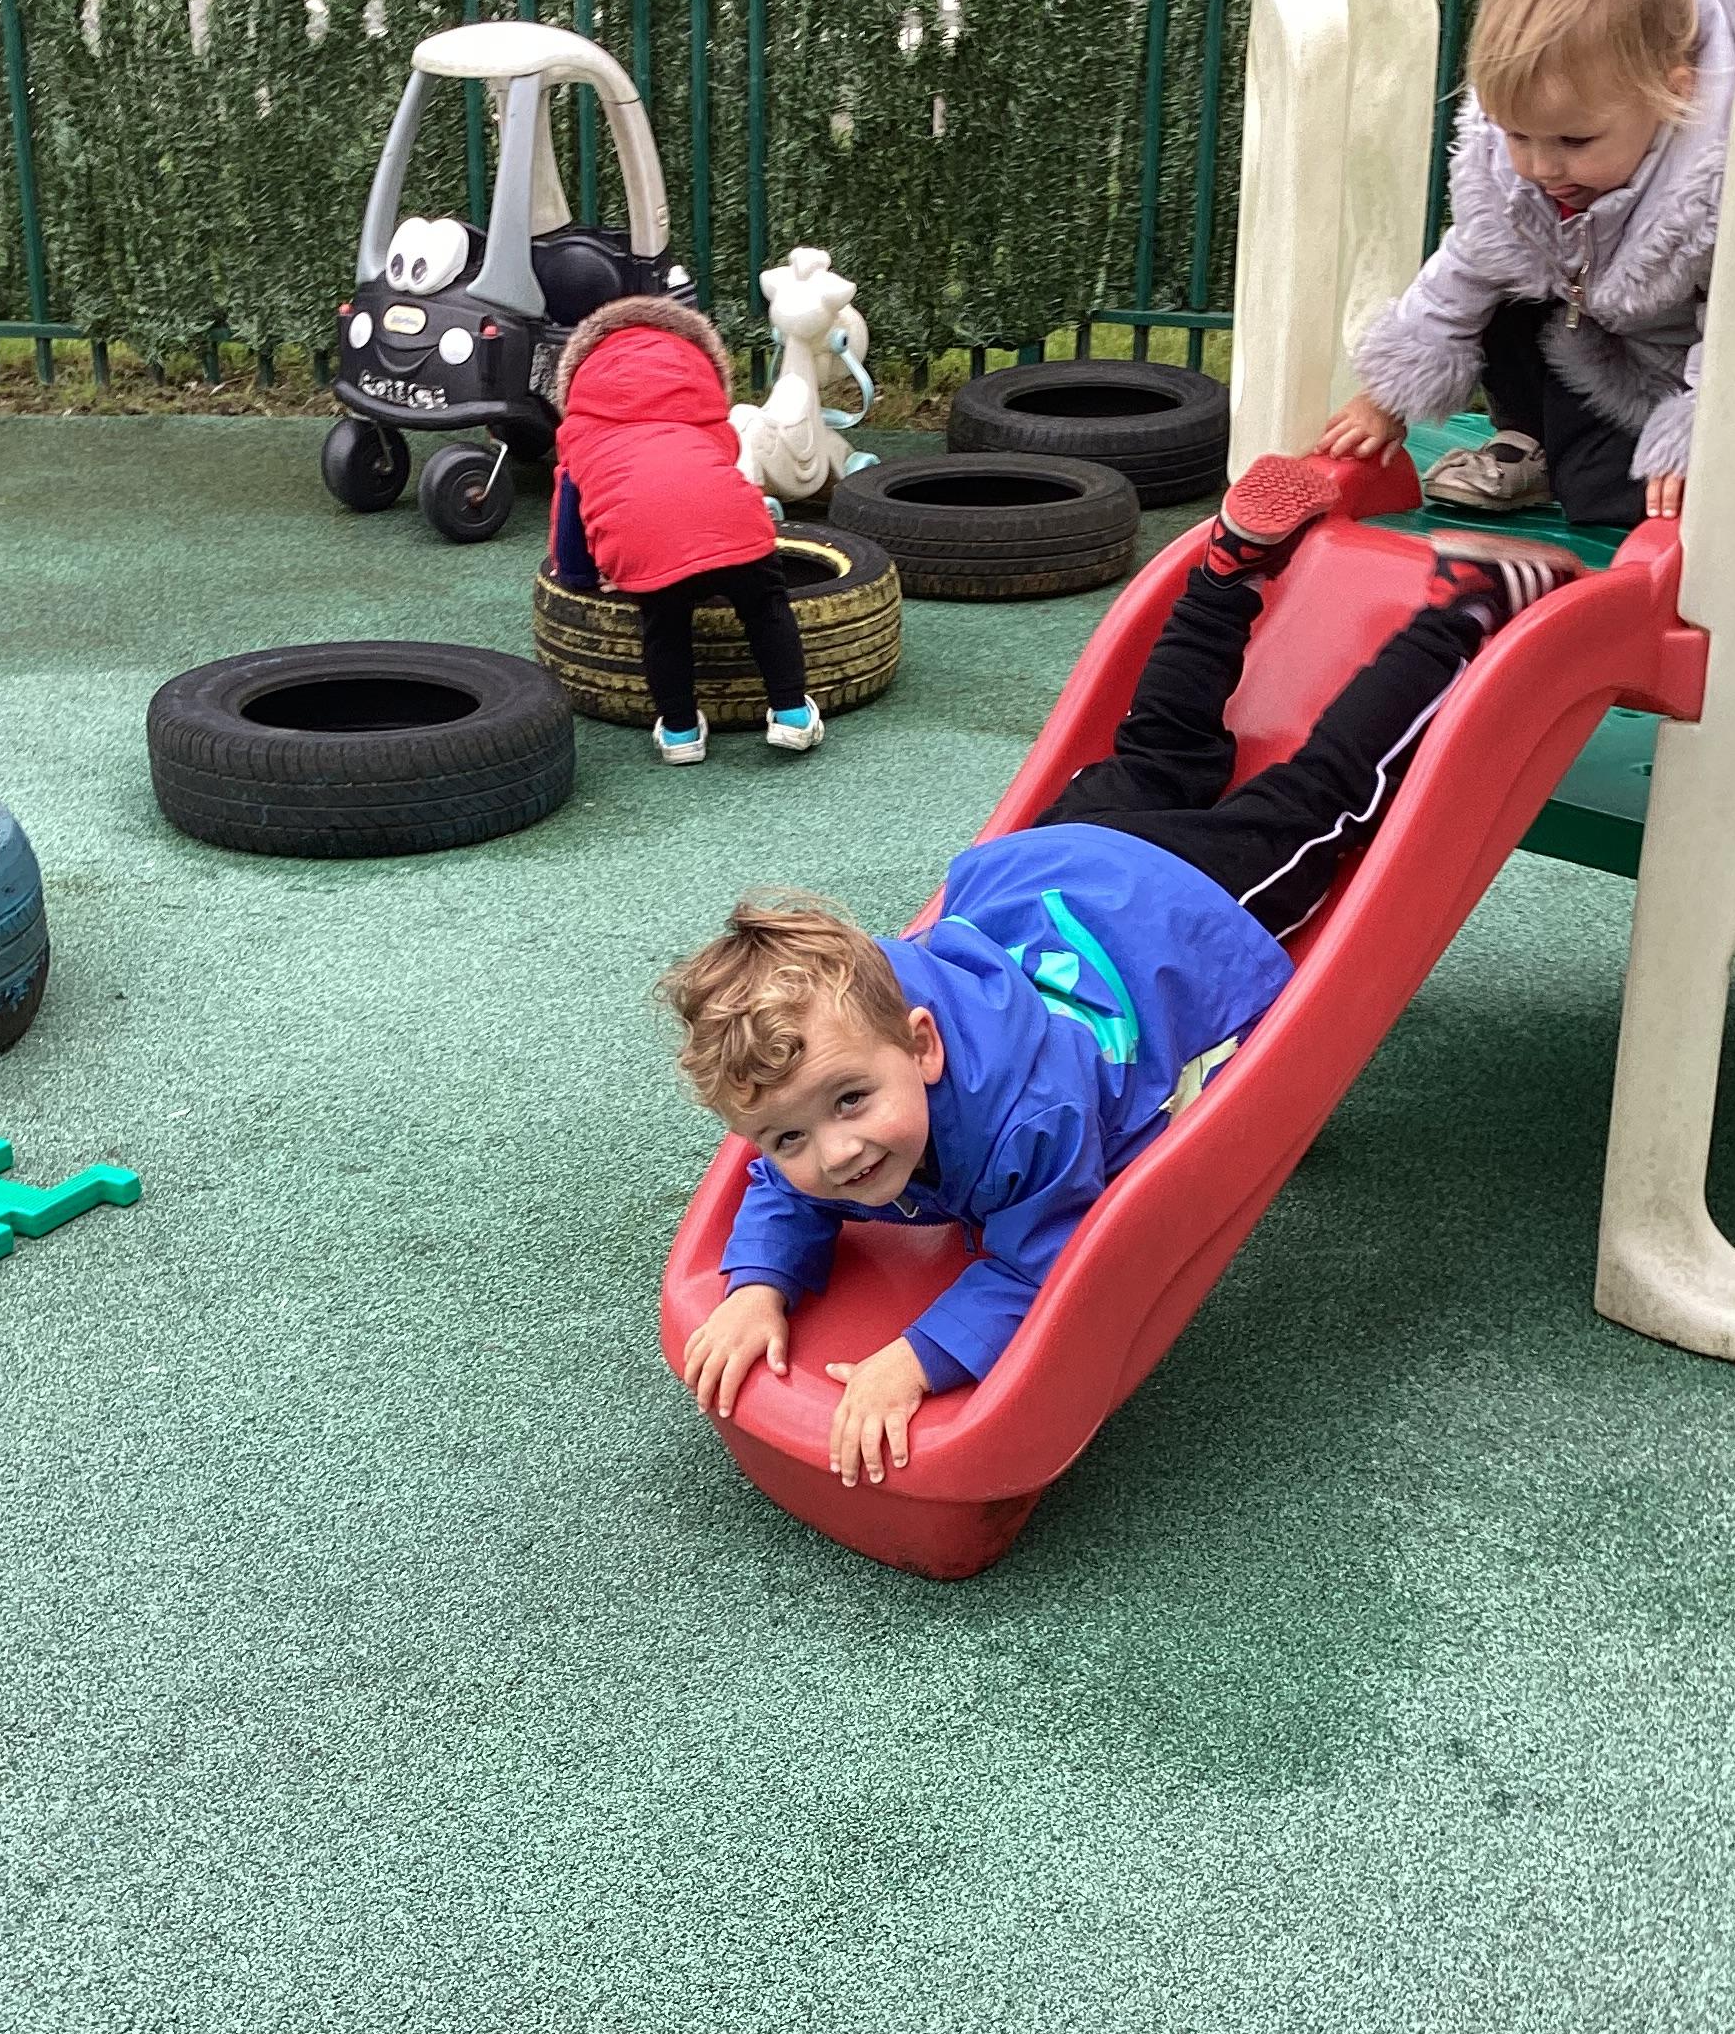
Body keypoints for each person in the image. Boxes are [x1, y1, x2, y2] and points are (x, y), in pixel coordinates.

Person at [659, 459, 1579, 1489]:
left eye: (849, 1103)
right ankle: (1226, 568)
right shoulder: (862, 1031)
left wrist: (913, 1360)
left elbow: (1044, 1260)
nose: (835, 1154)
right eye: (789, 1134)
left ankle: (1463, 609)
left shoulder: (1031, 1121)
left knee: (1325, 799)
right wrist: (759, 1282)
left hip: (1172, 907)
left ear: (924, 1045)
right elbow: (777, 1181)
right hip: (1048, 863)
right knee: (1161, 747)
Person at [1320, 0, 1735, 531]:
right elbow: (1462, 271)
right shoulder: (1520, 162)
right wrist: (1387, 397)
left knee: (1607, 499)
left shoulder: (1724, 179)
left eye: (1574, 140)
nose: (1541, 166)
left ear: (1674, 94)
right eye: (1518, 134)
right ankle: (1529, 436)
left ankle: (1610, 463)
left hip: (1674, 373)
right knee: (1499, 261)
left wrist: (1697, 439)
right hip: (1581, 329)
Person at [548, 295, 824, 764]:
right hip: (734, 526)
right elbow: (714, 470)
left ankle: (680, 733)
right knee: (765, 606)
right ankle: (792, 715)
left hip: (644, 539)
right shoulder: (706, 416)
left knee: (665, 625)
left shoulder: (582, 429)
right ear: (696, 369)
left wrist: (578, 575)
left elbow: (570, 508)